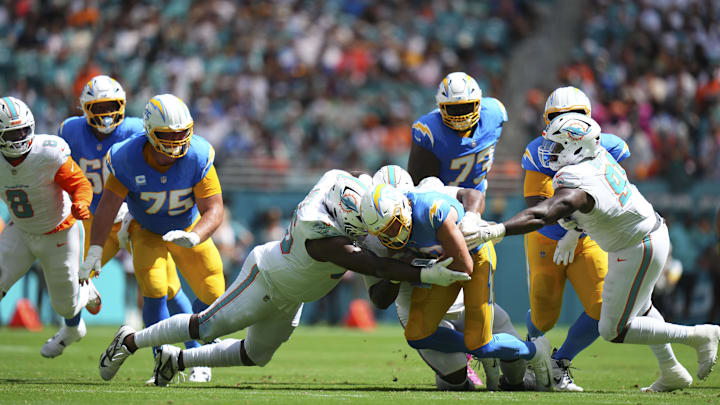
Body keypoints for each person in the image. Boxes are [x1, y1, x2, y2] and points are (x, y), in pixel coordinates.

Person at [96, 169, 469, 386]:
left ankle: (175, 362)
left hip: (295, 293)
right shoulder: (323, 233)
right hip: (267, 277)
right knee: (206, 326)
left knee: (255, 355)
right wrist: (426, 272)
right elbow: (379, 268)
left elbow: (355, 182)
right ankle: (130, 341)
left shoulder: (338, 185)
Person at [466, 112, 720, 391]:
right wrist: (574, 232)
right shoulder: (599, 156)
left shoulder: (575, 178)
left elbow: (545, 213)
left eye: (558, 145)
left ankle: (699, 335)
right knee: (644, 308)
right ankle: (671, 370)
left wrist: (498, 230)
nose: (551, 151)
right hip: (645, 235)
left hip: (637, 246)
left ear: (576, 146)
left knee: (613, 330)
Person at [60, 76, 202, 383]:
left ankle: (195, 355)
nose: (106, 113)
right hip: (98, 218)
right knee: (76, 273)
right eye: (99, 107)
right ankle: (72, 325)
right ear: (85, 109)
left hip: (136, 217)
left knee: (167, 288)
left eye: (112, 106)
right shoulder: (71, 131)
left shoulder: (139, 130)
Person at [82, 94, 226, 383]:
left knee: (213, 291)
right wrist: (95, 249)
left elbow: (214, 208)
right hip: (146, 228)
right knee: (156, 288)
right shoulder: (128, 157)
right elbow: (108, 207)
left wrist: (195, 235)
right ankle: (163, 360)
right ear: (149, 132)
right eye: (165, 135)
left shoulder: (197, 155)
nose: (174, 142)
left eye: (180, 134)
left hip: (187, 228)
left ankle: (197, 354)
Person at [359, 183, 555, 391]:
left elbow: (464, 266)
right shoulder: (388, 230)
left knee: (480, 343)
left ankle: (534, 350)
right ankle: (484, 349)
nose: (393, 236)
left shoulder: (430, 210)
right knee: (417, 334)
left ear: (404, 208)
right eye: (384, 232)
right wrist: (423, 267)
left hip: (473, 259)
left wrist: (422, 267)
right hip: (445, 267)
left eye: (394, 225)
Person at [520, 86, 631, 391]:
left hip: (589, 238)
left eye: (575, 116)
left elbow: (615, 198)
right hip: (546, 239)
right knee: (543, 318)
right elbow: (536, 206)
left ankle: (559, 363)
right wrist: (569, 228)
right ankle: (530, 350)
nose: (567, 124)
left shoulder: (609, 147)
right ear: (547, 120)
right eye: (559, 117)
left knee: (603, 308)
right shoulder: (539, 152)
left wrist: (577, 231)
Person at [0, 96, 101, 357]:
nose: (21, 137)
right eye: (13, 133)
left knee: (65, 306)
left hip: (60, 230)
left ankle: (77, 314)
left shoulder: (47, 152)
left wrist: (81, 202)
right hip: (20, 229)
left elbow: (80, 184)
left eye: (24, 129)